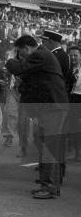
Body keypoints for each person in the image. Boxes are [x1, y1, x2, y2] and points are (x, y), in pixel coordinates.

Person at [5, 35, 68, 199]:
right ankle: (48, 182)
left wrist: (9, 58)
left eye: (21, 53)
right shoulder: (42, 55)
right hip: (49, 107)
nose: (21, 57)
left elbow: (18, 68)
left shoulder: (39, 54)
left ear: (26, 48)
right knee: (43, 142)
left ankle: (50, 187)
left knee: (49, 146)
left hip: (53, 107)